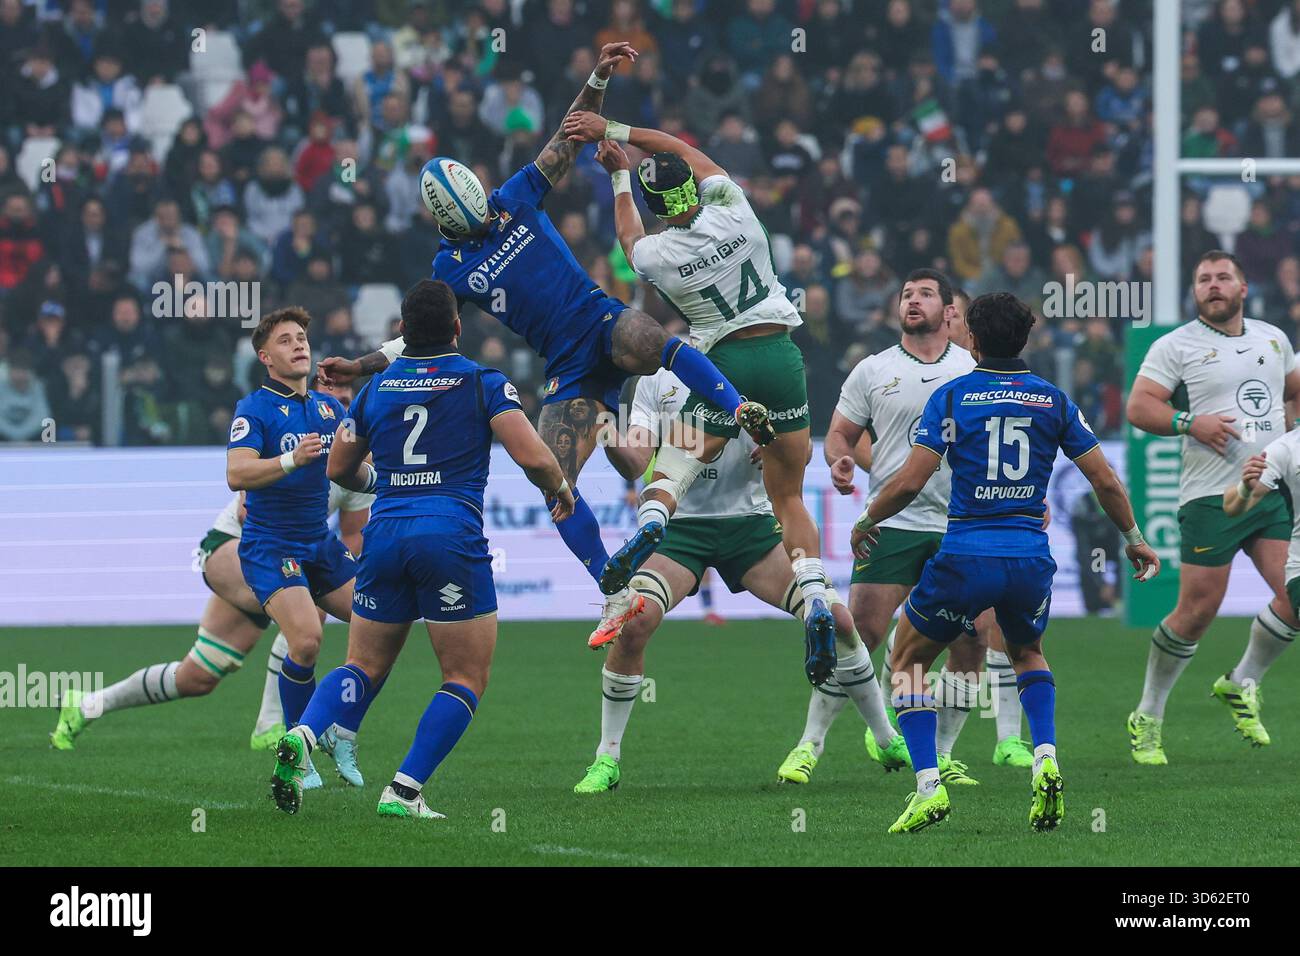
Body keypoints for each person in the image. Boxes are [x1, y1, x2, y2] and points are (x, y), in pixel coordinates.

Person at [316, 43, 770, 650]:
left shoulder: (512, 199)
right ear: (448, 222)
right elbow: (415, 340)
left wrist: (598, 75)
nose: (482, 217)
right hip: (569, 369)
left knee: (649, 337)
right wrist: (362, 363)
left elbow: (568, 135)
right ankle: (614, 590)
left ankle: (739, 409)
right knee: (554, 481)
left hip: (598, 321)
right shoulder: (448, 268)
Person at [850, 292, 1159, 833]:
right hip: (1028, 558)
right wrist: (1132, 537)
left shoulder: (952, 397)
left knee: (907, 663)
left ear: (970, 337)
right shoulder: (1053, 400)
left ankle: (927, 787)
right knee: (1027, 653)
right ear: (1026, 338)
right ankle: (1045, 758)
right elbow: (1105, 480)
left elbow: (909, 480)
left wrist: (866, 520)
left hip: (966, 553)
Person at [269, 280, 575, 818]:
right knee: (464, 677)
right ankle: (404, 790)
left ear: (401, 332)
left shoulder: (377, 388)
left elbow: (338, 468)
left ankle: (305, 733)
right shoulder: (484, 381)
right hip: (449, 536)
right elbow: (533, 457)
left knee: (361, 665)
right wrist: (559, 488)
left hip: (383, 534)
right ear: (458, 328)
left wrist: (388, 480)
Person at [561, 110, 833, 689]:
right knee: (787, 495)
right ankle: (813, 596)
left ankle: (655, 517)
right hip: (781, 355)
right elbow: (677, 145)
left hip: (723, 363)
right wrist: (614, 130)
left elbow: (629, 240)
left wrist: (616, 179)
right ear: (694, 184)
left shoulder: (659, 255)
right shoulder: (737, 209)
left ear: (660, 205)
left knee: (678, 459)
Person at [572, 367, 909, 794]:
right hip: (681, 529)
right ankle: (607, 758)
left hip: (751, 526)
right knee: (635, 624)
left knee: (838, 621)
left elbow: (799, 452)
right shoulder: (658, 380)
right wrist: (605, 429)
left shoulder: (760, 367)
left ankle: (884, 738)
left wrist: (781, 446)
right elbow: (635, 460)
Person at [50, 382, 373, 790]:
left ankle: (89, 704)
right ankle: (275, 725)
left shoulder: (353, 462)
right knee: (309, 607)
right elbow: (245, 506)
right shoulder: (292, 432)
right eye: (336, 399)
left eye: (348, 403)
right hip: (235, 547)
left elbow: (353, 534)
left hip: (293, 556)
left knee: (198, 675)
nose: (339, 410)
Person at [1125, 250, 1300, 763]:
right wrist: (1188, 422)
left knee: (1295, 595)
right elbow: (1140, 406)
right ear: (1195, 292)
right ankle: (1149, 714)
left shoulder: (1274, 337)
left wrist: (1290, 437)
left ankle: (1241, 681)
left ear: (1243, 288)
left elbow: (1294, 391)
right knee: (1198, 610)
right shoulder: (1175, 345)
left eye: (1223, 277)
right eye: (1204, 280)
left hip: (1270, 491)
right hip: (1209, 496)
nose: (1213, 285)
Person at [225, 307, 366, 787]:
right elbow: (236, 474)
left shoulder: (329, 409)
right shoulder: (255, 408)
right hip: (270, 544)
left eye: (302, 337)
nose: (299, 345)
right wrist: (287, 459)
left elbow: (359, 464)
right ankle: (296, 744)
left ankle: (339, 732)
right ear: (266, 357)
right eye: (285, 341)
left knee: (382, 621)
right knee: (306, 639)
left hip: (318, 542)